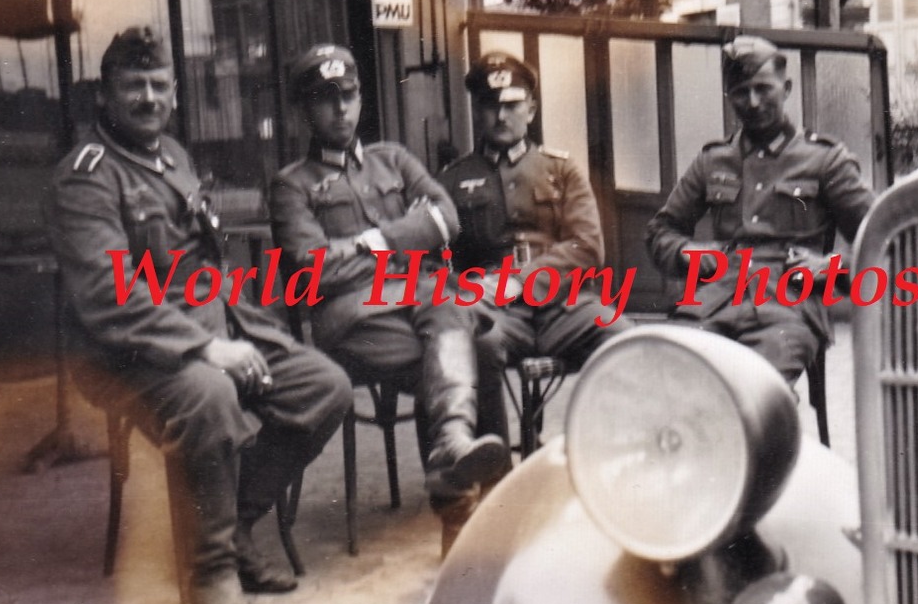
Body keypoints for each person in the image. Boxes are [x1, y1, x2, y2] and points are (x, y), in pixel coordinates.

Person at [47, 28, 352, 604]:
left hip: (209, 321)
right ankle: (212, 573)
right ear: (104, 96)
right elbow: (112, 297)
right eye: (133, 87)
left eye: (160, 85)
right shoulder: (85, 178)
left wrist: (235, 330)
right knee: (211, 396)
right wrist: (208, 348)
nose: (149, 98)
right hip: (127, 350)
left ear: (176, 93)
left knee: (324, 386)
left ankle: (232, 525)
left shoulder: (173, 157)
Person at [269, 43, 511, 540]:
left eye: (350, 95)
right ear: (303, 110)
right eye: (325, 98)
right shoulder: (291, 186)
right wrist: (407, 237)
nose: (341, 109)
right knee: (464, 338)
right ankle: (467, 488)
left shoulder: (394, 161)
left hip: (417, 307)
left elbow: (448, 219)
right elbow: (315, 273)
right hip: (352, 321)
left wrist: (367, 243)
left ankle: (463, 477)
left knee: (473, 341)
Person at [646, 35, 876, 385]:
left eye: (763, 88)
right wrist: (688, 252)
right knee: (667, 374)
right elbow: (661, 232)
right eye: (740, 92)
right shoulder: (713, 160)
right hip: (712, 302)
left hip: (787, 310)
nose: (752, 102)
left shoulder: (825, 159)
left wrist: (830, 267)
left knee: (756, 392)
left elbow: (880, 237)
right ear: (729, 96)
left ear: (786, 88)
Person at [439, 51, 631, 447]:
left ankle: (605, 450)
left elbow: (587, 246)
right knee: (479, 344)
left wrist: (521, 281)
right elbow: (438, 260)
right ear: (477, 111)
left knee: (623, 339)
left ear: (531, 108)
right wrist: (472, 289)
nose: (501, 116)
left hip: (564, 307)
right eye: (491, 106)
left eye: (512, 105)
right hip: (494, 312)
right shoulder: (454, 180)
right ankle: (493, 469)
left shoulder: (561, 170)